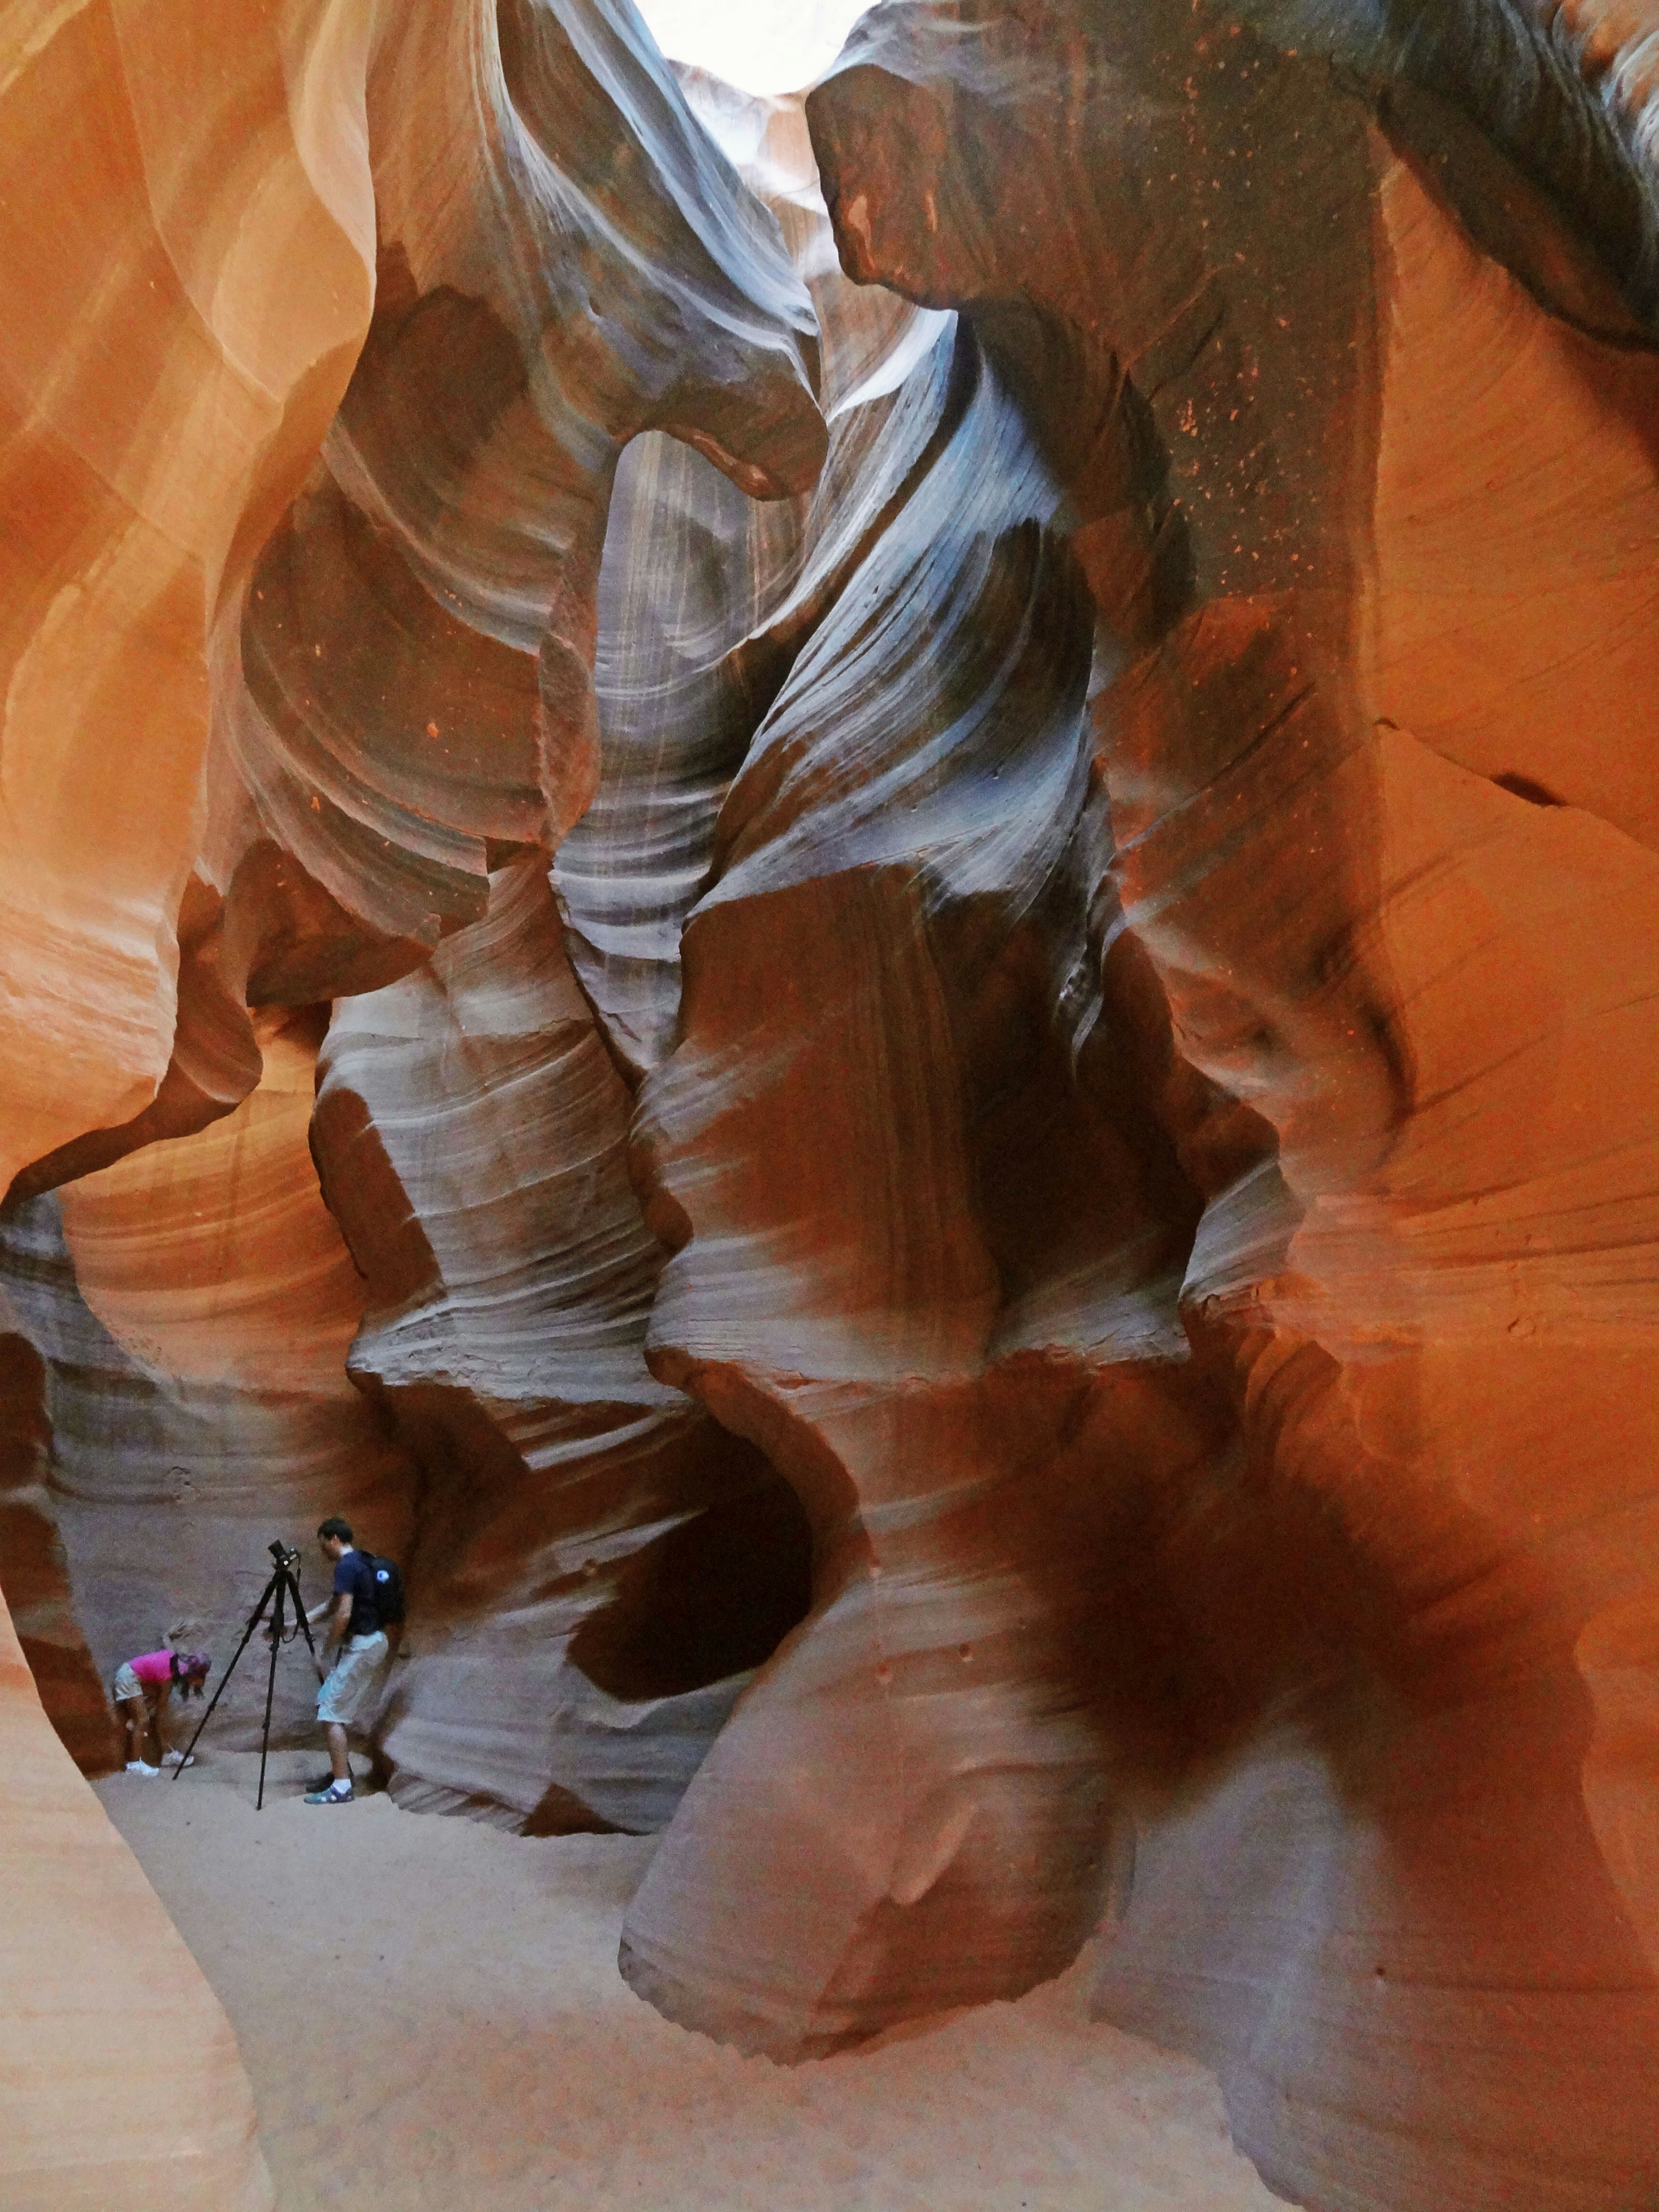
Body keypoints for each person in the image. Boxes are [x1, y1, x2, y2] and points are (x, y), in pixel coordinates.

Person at [302, 1516, 390, 1805]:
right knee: (329, 1701)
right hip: (373, 1642)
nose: (323, 1550)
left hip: (364, 1646)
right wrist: (293, 1624)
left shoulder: (346, 1565)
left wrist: (325, 1652)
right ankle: (341, 1773)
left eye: (323, 1543)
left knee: (330, 1712)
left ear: (334, 1538)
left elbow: (343, 1614)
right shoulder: (363, 1562)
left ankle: (341, 1787)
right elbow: (332, 1606)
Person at [113, 1647, 210, 1775]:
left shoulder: (173, 1662)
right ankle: (134, 1764)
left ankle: (167, 1754)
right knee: (143, 1723)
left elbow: (160, 1701)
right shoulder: (168, 1676)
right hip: (128, 1676)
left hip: (130, 1675)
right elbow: (161, 1709)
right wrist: (155, 1721)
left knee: (155, 1700)